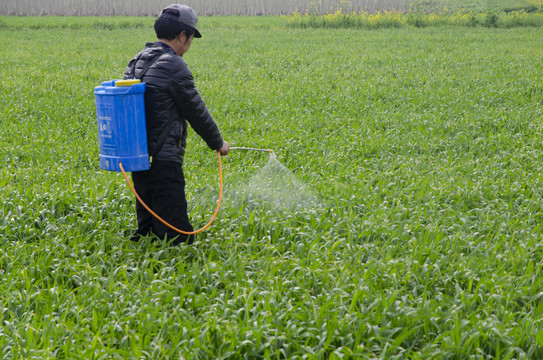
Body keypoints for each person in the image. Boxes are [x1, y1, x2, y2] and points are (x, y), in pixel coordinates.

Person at [123, 4, 230, 245]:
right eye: (191, 38)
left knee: (148, 219)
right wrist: (218, 143)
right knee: (175, 228)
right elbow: (196, 110)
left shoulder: (138, 59)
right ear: (183, 35)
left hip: (139, 155)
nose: (190, 44)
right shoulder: (174, 66)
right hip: (164, 158)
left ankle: (146, 260)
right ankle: (176, 268)